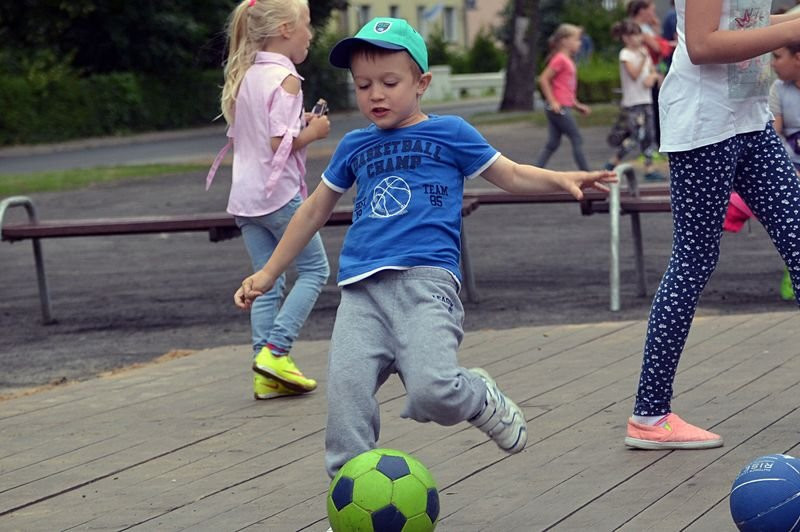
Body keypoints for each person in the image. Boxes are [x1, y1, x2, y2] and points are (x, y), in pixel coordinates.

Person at [234, 17, 617, 481]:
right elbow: (312, 211)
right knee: (346, 402)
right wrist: (270, 272)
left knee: (434, 390)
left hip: (426, 285)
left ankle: (479, 395)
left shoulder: (450, 133)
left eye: (390, 82)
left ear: (422, 83)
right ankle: (347, 493)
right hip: (361, 293)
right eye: (363, 85)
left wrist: (561, 178)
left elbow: (510, 173)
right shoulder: (355, 145)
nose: (376, 94)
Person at [625, 0, 800, 451]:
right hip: (704, 124)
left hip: (749, 119)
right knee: (694, 259)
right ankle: (649, 415)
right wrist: (791, 30)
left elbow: (750, 21)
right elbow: (702, 44)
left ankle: (650, 414)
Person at [209, 0, 331, 400]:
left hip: (244, 199)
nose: (310, 35)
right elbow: (281, 143)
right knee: (315, 269)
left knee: (267, 279)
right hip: (277, 198)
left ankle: (265, 372)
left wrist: (299, 126)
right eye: (306, 26)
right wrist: (315, 132)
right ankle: (277, 351)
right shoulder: (287, 78)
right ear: (284, 29)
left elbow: (265, 135)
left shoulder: (248, 74)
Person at [604, 20, 665, 182]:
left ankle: (649, 168)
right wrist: (644, 60)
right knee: (636, 136)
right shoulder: (625, 54)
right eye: (631, 35)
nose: (635, 38)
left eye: (637, 34)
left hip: (646, 101)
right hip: (633, 103)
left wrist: (653, 77)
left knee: (649, 136)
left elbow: (653, 74)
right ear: (624, 38)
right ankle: (613, 162)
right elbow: (634, 74)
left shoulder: (643, 52)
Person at [535, 24, 592, 172]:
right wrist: (552, 101)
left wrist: (577, 105)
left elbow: (566, 90)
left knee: (553, 143)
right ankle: (587, 175)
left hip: (562, 106)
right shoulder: (560, 59)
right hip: (558, 108)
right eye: (577, 39)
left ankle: (534, 172)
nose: (580, 43)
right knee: (577, 138)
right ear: (565, 41)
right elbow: (543, 79)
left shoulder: (567, 60)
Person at [628, 0, 666, 146]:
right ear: (642, 11)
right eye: (651, 10)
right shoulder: (638, 29)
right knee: (652, 109)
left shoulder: (646, 27)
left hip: (653, 69)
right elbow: (658, 47)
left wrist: (655, 26)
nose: (653, 14)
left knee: (654, 108)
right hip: (645, 72)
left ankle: (651, 142)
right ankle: (652, 143)